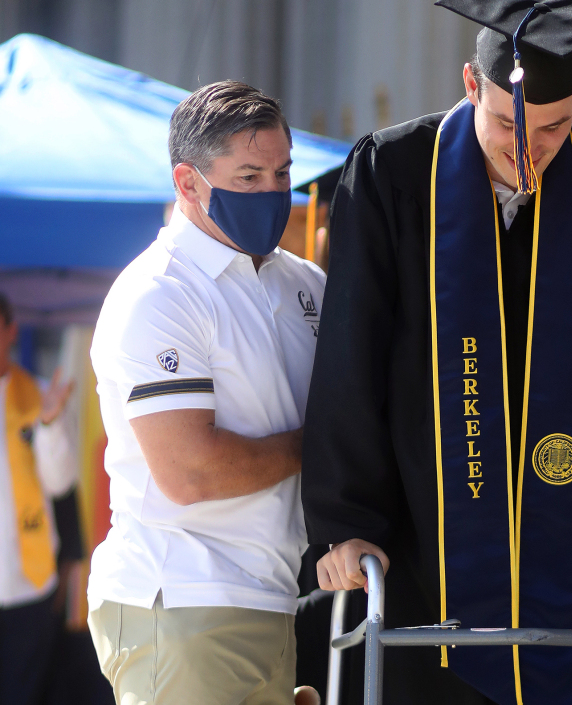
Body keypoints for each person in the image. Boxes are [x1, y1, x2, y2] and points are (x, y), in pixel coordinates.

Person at [302, 0, 572, 705]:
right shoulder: (394, 171)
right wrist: (346, 521)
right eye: (510, 125)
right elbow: (352, 350)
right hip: (426, 533)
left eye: (554, 127)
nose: (528, 149)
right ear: (471, 84)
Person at [86, 81, 325, 705]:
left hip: (272, 596)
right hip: (179, 599)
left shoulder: (305, 283)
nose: (273, 192)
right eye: (249, 177)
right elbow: (190, 471)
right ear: (188, 183)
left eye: (282, 173)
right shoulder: (158, 293)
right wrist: (318, 445)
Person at [0, 292, 77, 704]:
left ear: (11, 331)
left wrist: (48, 425)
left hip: (29, 588)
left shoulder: (42, 396)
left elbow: (61, 484)